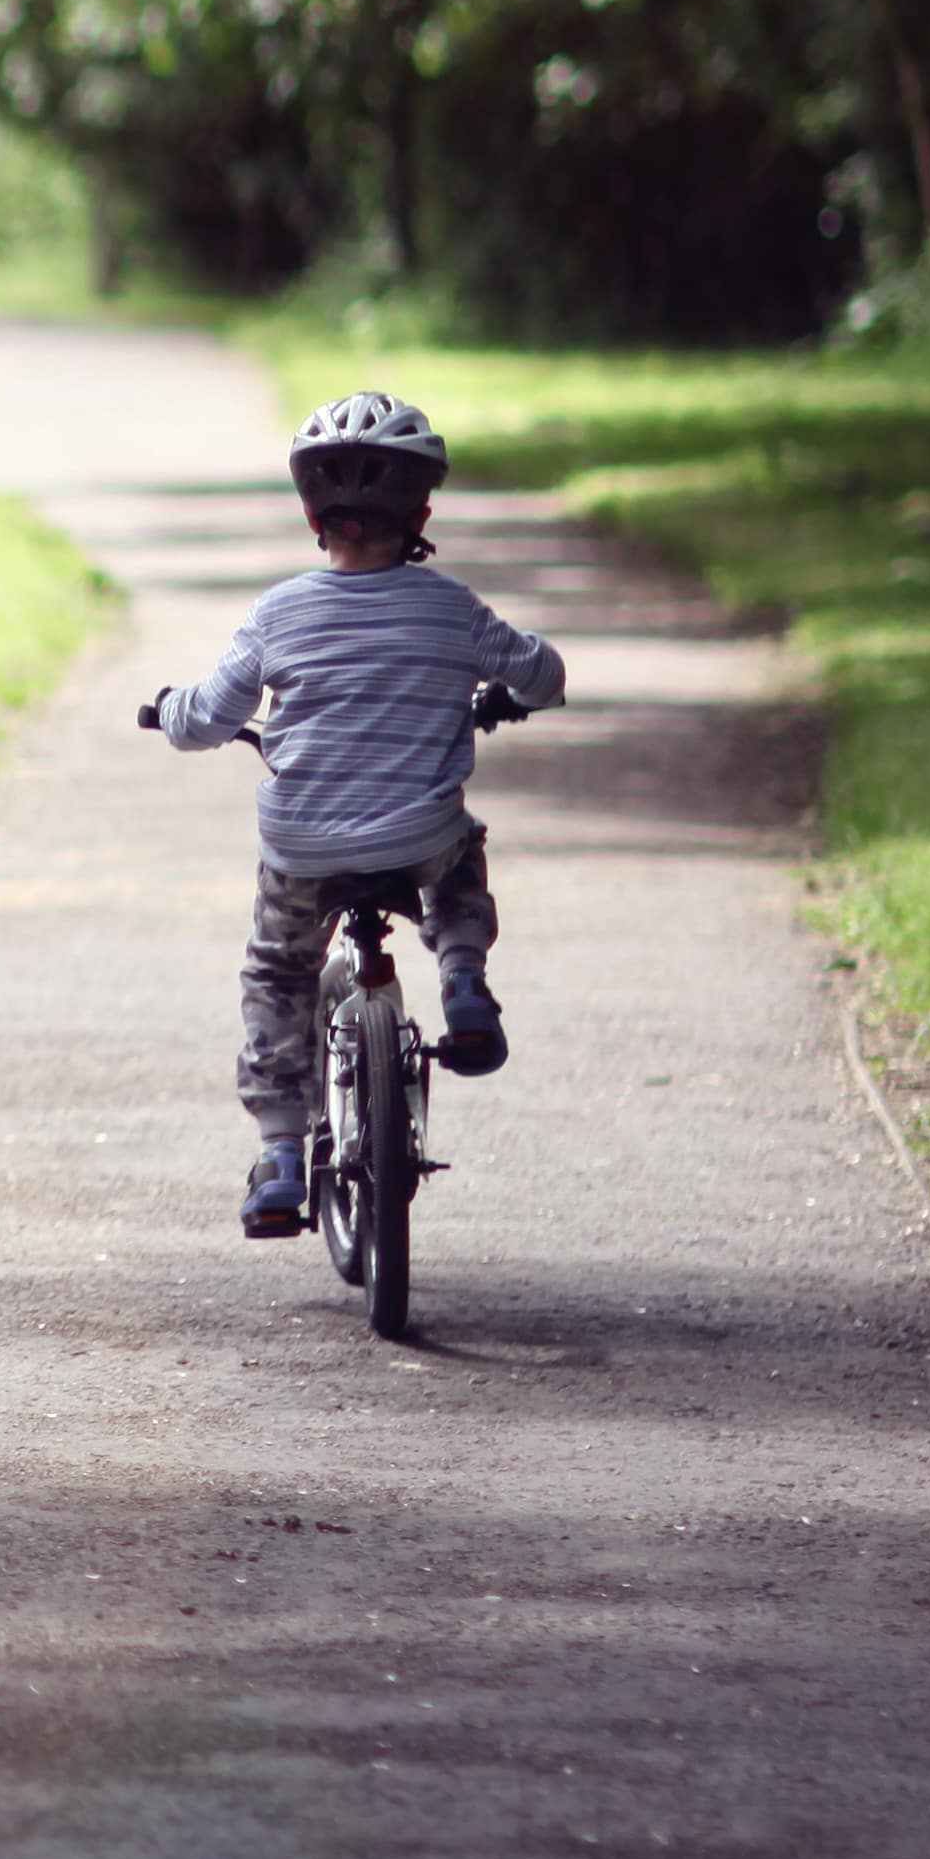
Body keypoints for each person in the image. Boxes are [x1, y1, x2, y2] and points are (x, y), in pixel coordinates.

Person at [150, 391, 565, 1238]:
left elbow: (206, 718)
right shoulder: (453, 609)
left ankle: (277, 1158)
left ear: (311, 511)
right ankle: (463, 980)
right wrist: (505, 694)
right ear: (421, 510)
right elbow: (544, 675)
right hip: (417, 839)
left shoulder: (278, 614)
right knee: (456, 863)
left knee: (278, 972)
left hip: (304, 849)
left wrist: (167, 708)